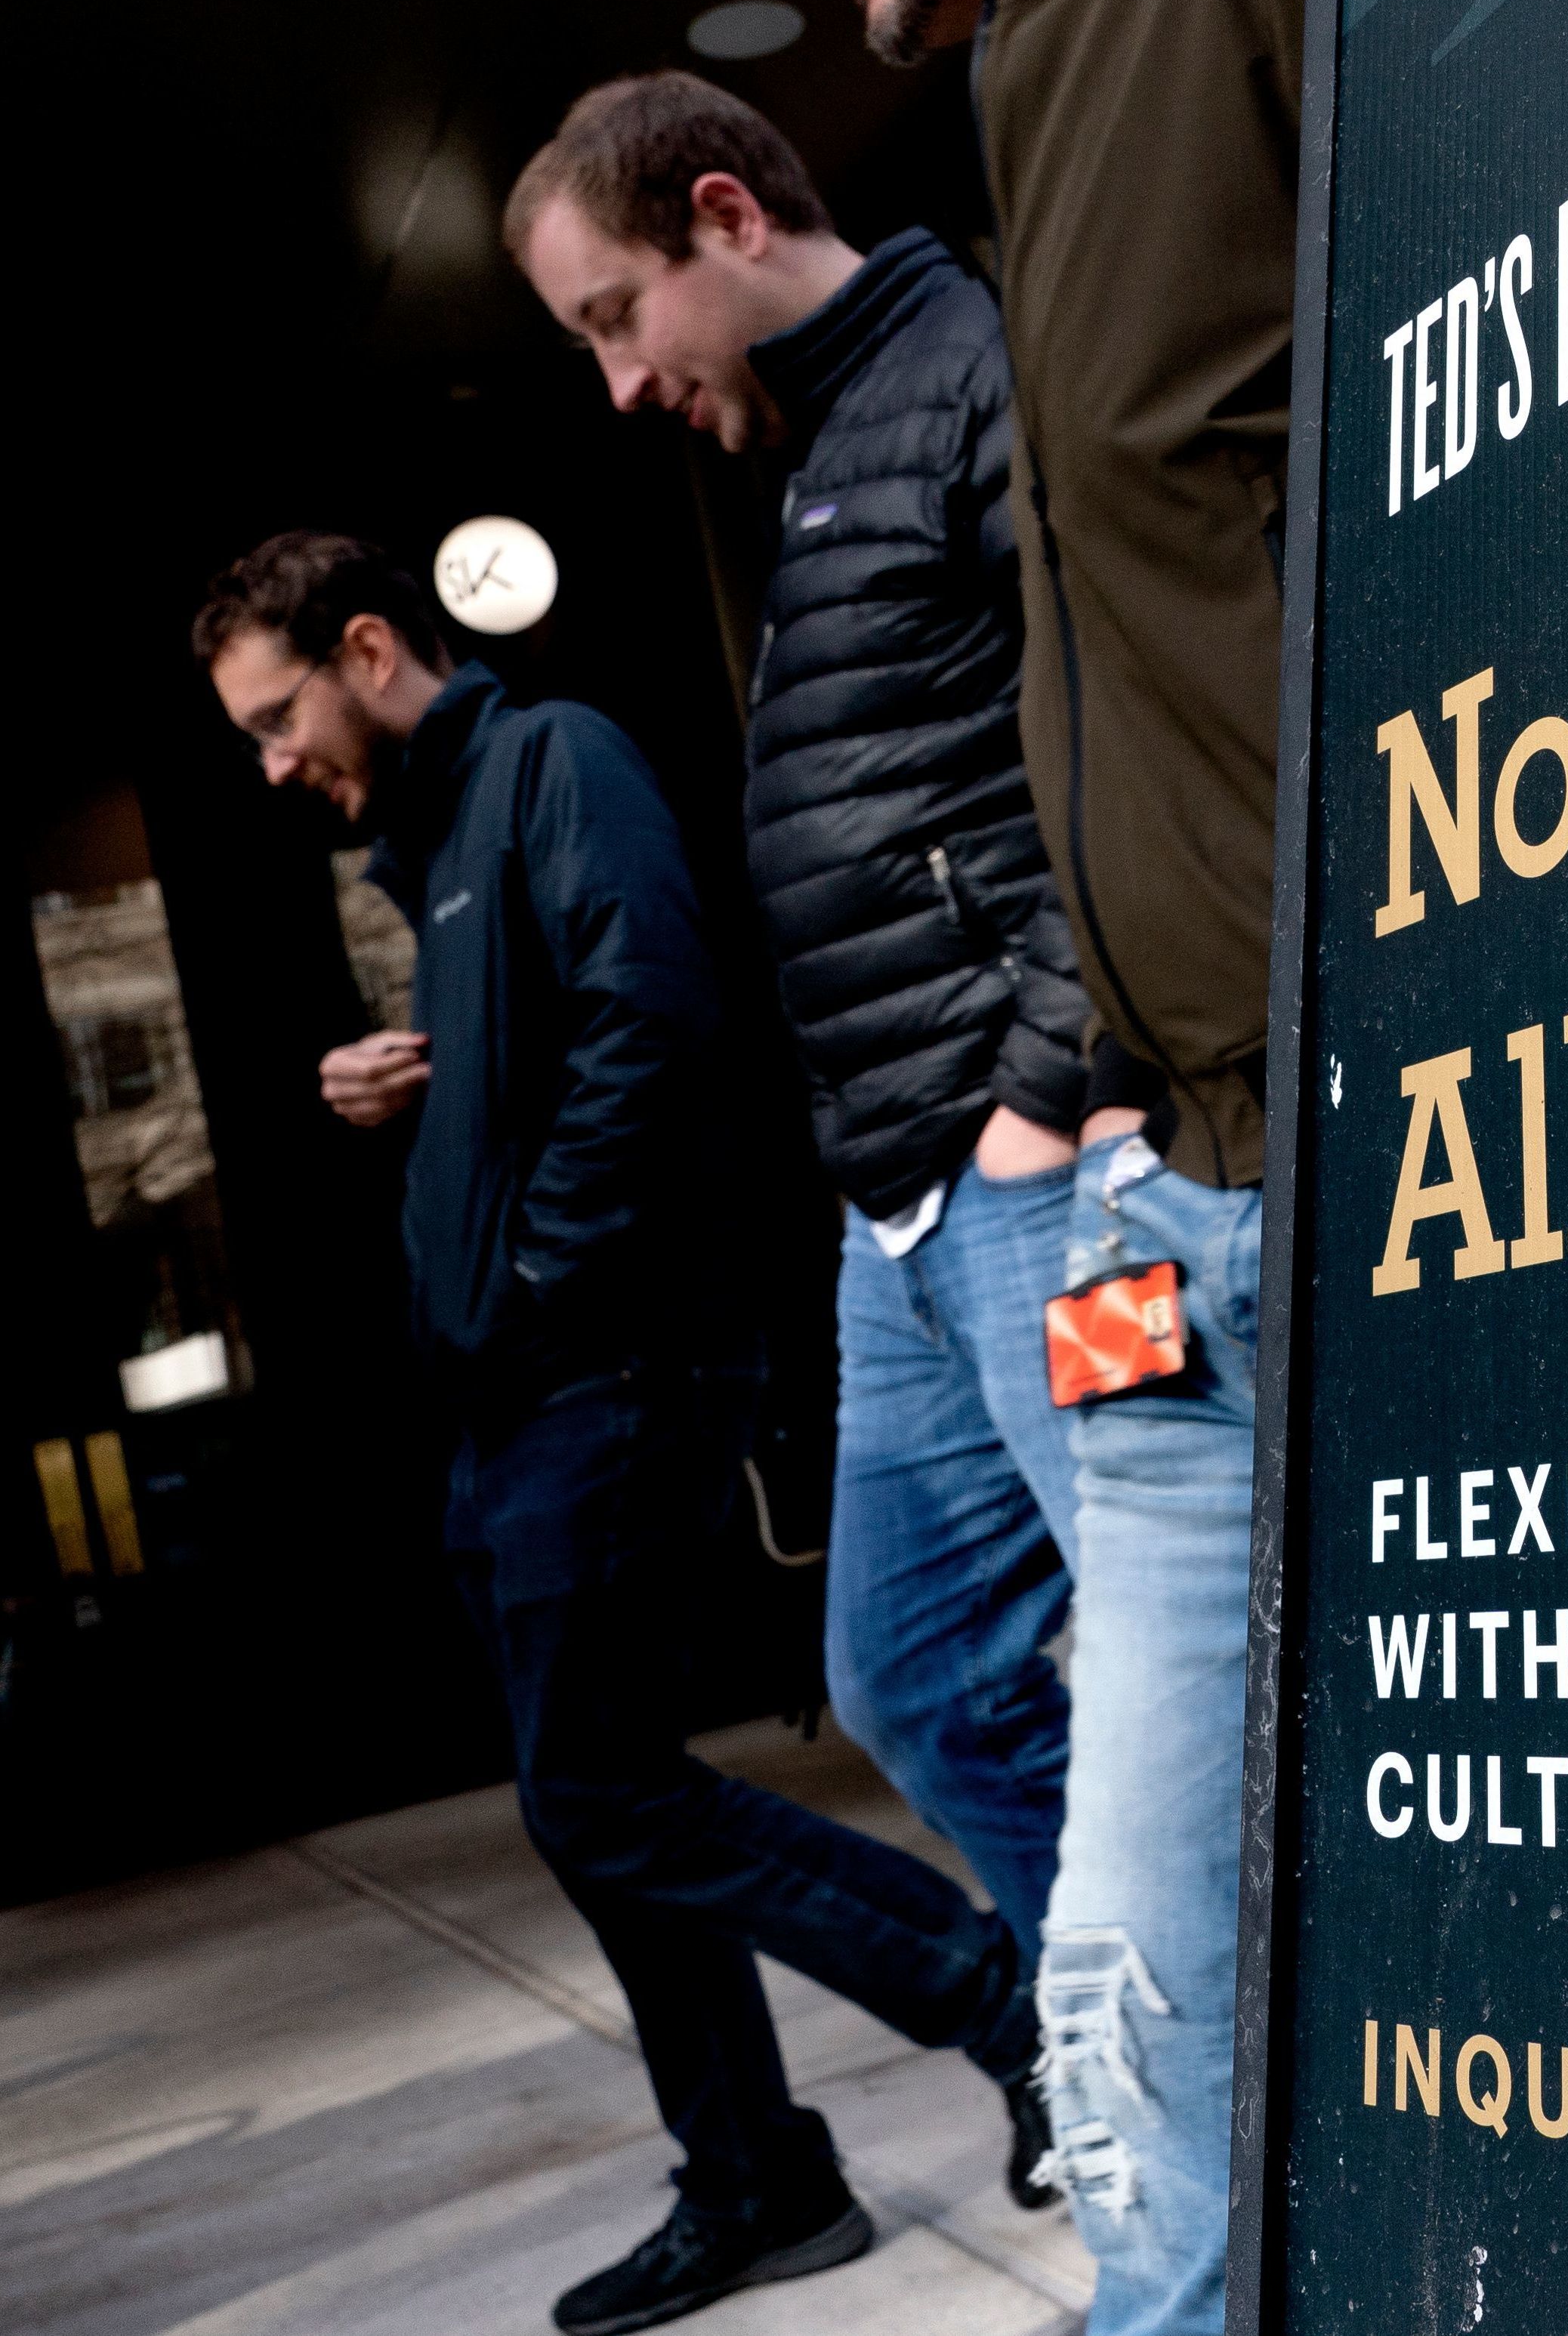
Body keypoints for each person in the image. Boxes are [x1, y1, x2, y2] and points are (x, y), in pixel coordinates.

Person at [198, 536, 1045, 2336]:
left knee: (602, 1787)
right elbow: (536, 1068)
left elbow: (655, 1030)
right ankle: (755, 2176)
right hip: (520, 1395)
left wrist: (524, 1282)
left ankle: (1001, 2001)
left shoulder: (554, 760)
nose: (272, 763)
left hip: (606, 1369)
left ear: (366, 646)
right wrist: (400, 1091)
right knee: (601, 1811)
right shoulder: (441, 845)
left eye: (280, 716)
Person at [723, 0, 1308, 2327]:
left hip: (1355, 1166)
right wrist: (1078, 1112)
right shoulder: (1018, 97)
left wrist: (1018, 1081)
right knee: (1123, 1992)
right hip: (1151, 1205)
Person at [502, 74, 1090, 2216]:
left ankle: (1191, 2065)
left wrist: (1042, 1093)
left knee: (1182, 1670)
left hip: (1021, 1175)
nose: (621, 376)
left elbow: (1121, 735)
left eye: (610, 314)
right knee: (911, 1671)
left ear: (724, 214)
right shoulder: (825, 451)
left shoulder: (970, 367)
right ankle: (1102, 2026)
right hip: (902, 1202)